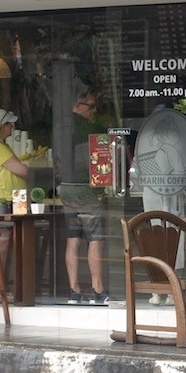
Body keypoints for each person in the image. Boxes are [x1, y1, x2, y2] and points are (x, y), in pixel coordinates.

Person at [64, 93, 109, 305]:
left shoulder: (60, 128)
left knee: (73, 239)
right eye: (91, 106)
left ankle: (74, 291)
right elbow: (95, 160)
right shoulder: (88, 129)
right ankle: (98, 290)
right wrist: (100, 188)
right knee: (95, 239)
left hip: (66, 189)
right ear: (78, 105)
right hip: (85, 188)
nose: (94, 110)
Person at [0, 109, 28, 290]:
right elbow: (22, 170)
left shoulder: (1, 145)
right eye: (10, 124)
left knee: (9, 244)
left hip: (12, 199)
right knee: (2, 243)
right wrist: (25, 164)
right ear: (2, 126)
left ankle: (7, 286)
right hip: (3, 200)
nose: (12, 127)